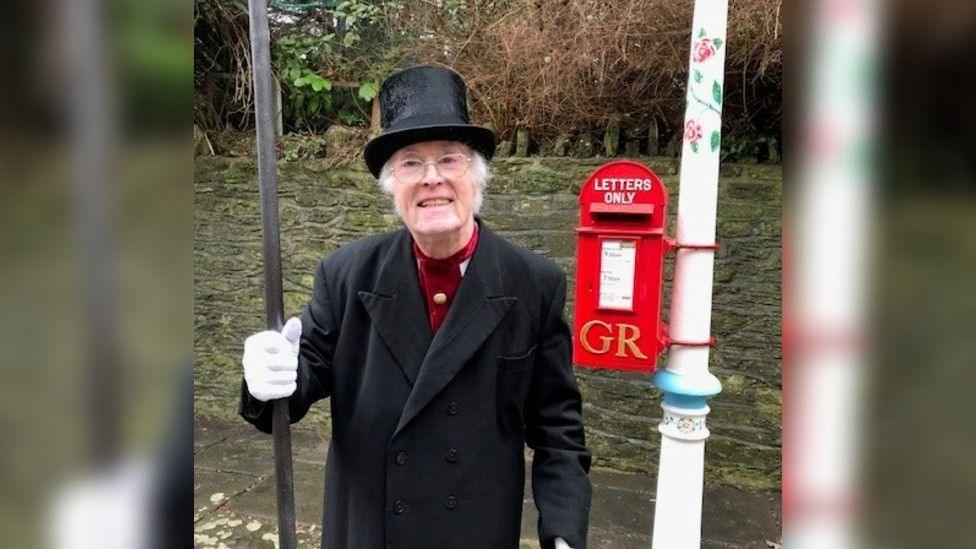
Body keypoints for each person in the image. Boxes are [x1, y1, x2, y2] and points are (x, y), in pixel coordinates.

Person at [239, 64, 591, 549]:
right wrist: (269, 377)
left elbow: (558, 432)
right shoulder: (345, 274)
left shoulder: (533, 283)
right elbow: (292, 392)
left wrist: (564, 533)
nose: (431, 179)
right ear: (392, 187)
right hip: (370, 531)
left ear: (477, 177)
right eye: (410, 163)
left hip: (474, 533)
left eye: (449, 160)